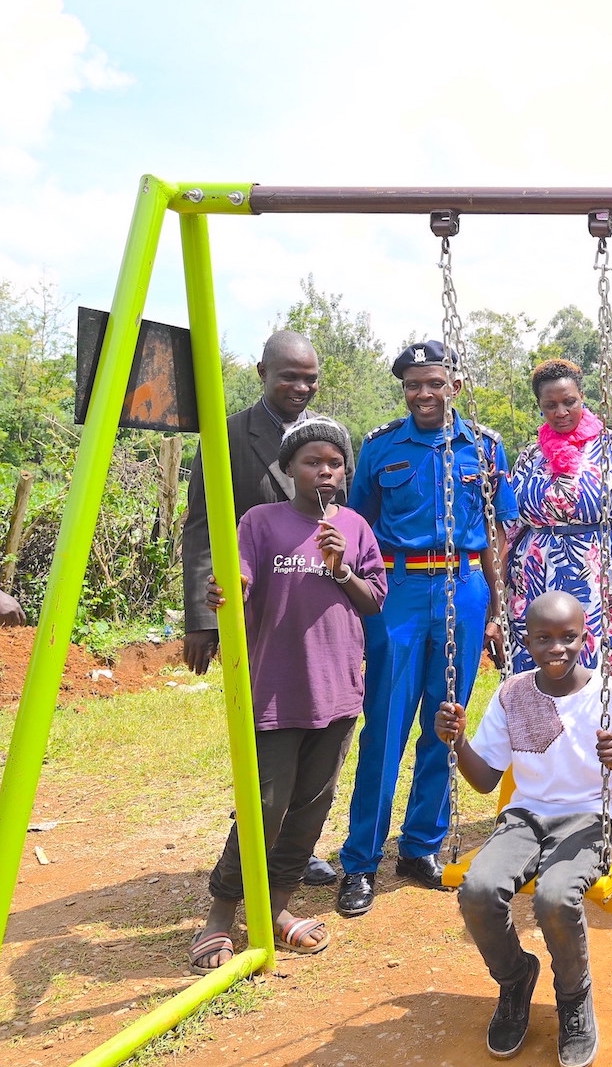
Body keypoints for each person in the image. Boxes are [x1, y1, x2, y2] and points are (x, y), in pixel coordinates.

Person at [188, 417, 386, 974]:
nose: (323, 472)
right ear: (287, 468)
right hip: (276, 689)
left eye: (333, 463)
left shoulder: (354, 526)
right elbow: (238, 578)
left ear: (345, 471)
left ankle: (274, 909)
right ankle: (221, 914)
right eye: (311, 462)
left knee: (310, 810)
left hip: (338, 692)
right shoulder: (261, 522)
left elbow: (373, 600)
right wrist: (229, 590)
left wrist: (342, 567)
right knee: (265, 806)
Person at [436, 592, 612, 1067]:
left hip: (590, 818)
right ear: (527, 642)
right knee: (477, 888)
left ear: (586, 637)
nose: (557, 648)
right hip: (525, 816)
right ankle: (515, 978)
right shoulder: (513, 694)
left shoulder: (611, 695)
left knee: (554, 897)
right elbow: (483, 781)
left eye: (568, 637)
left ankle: (574, 997)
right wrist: (458, 741)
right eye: (543, 639)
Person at [336, 340, 517, 919]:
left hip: (463, 589)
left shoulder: (485, 448)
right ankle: (361, 860)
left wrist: (495, 606)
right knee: (384, 726)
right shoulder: (381, 447)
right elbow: (358, 525)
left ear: (454, 386)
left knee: (447, 723)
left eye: (434, 383)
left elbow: (497, 533)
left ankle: (420, 845)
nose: (424, 394)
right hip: (400, 591)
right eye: (414, 384)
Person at [181, 329, 354, 888]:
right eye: (288, 376)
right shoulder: (226, 435)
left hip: (318, 613)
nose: (300, 387)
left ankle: (295, 852)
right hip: (257, 612)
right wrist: (206, 620)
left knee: (317, 737)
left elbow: (344, 524)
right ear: (261, 372)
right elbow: (205, 527)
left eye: (310, 378)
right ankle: (254, 847)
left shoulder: (326, 440)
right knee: (268, 735)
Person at [505, 358, 612, 698]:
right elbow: (512, 523)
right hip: (536, 578)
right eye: (551, 405)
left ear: (582, 397)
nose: (561, 411)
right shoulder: (531, 456)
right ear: (540, 406)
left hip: (598, 579)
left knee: (596, 671)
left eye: (569, 402)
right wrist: (505, 586)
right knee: (540, 678)